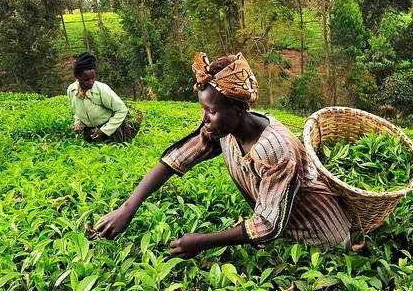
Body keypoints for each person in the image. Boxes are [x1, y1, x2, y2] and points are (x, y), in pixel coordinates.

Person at [95, 52, 351, 258]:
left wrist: (202, 241)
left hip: (321, 239)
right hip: (284, 236)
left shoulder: (277, 150)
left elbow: (267, 225)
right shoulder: (223, 130)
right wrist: (127, 208)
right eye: (203, 109)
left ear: (238, 108)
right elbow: (178, 157)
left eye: (211, 111)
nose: (205, 119)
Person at [67, 52, 140, 143]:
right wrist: (78, 122)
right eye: (86, 80)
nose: (91, 82)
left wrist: (104, 131)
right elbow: (77, 111)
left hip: (112, 131)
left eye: (93, 78)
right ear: (77, 76)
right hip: (90, 132)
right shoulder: (72, 90)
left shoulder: (102, 89)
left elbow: (122, 110)